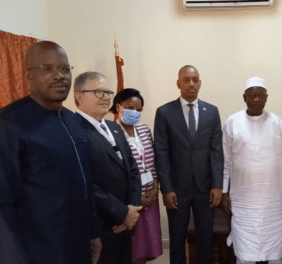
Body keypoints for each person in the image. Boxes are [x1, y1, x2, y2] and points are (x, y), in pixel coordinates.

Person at [0, 41, 101, 264]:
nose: (59, 76)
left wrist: (93, 231)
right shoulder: (9, 124)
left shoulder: (74, 121)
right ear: (29, 77)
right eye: (47, 69)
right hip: (38, 251)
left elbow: (86, 183)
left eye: (65, 69)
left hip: (78, 245)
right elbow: (3, 203)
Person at [222, 76, 282, 264]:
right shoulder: (232, 122)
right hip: (243, 201)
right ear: (244, 97)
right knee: (245, 254)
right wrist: (224, 192)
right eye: (252, 95)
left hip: (274, 201)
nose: (256, 99)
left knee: (276, 254)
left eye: (260, 96)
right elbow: (225, 161)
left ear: (266, 98)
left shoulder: (276, 122)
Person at [153, 65, 223, 264]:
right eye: (186, 79)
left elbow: (216, 150)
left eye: (195, 79)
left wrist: (218, 185)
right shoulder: (165, 112)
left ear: (200, 83)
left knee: (205, 240)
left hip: (206, 188)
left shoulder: (212, 111)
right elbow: (162, 152)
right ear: (178, 83)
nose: (191, 83)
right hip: (177, 189)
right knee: (176, 241)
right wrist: (166, 188)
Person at [74, 72, 142, 264]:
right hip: (101, 228)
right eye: (98, 92)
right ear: (79, 96)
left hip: (126, 224)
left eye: (108, 92)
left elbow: (133, 170)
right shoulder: (73, 129)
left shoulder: (114, 128)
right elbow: (84, 182)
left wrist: (132, 211)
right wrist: (122, 213)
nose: (106, 98)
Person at [109, 88, 163, 263]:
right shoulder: (111, 134)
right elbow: (114, 172)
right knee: (133, 250)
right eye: (130, 107)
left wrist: (155, 189)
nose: (135, 112)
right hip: (131, 202)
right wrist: (137, 196)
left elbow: (152, 161)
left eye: (139, 109)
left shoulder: (145, 130)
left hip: (150, 198)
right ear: (119, 107)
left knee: (147, 249)